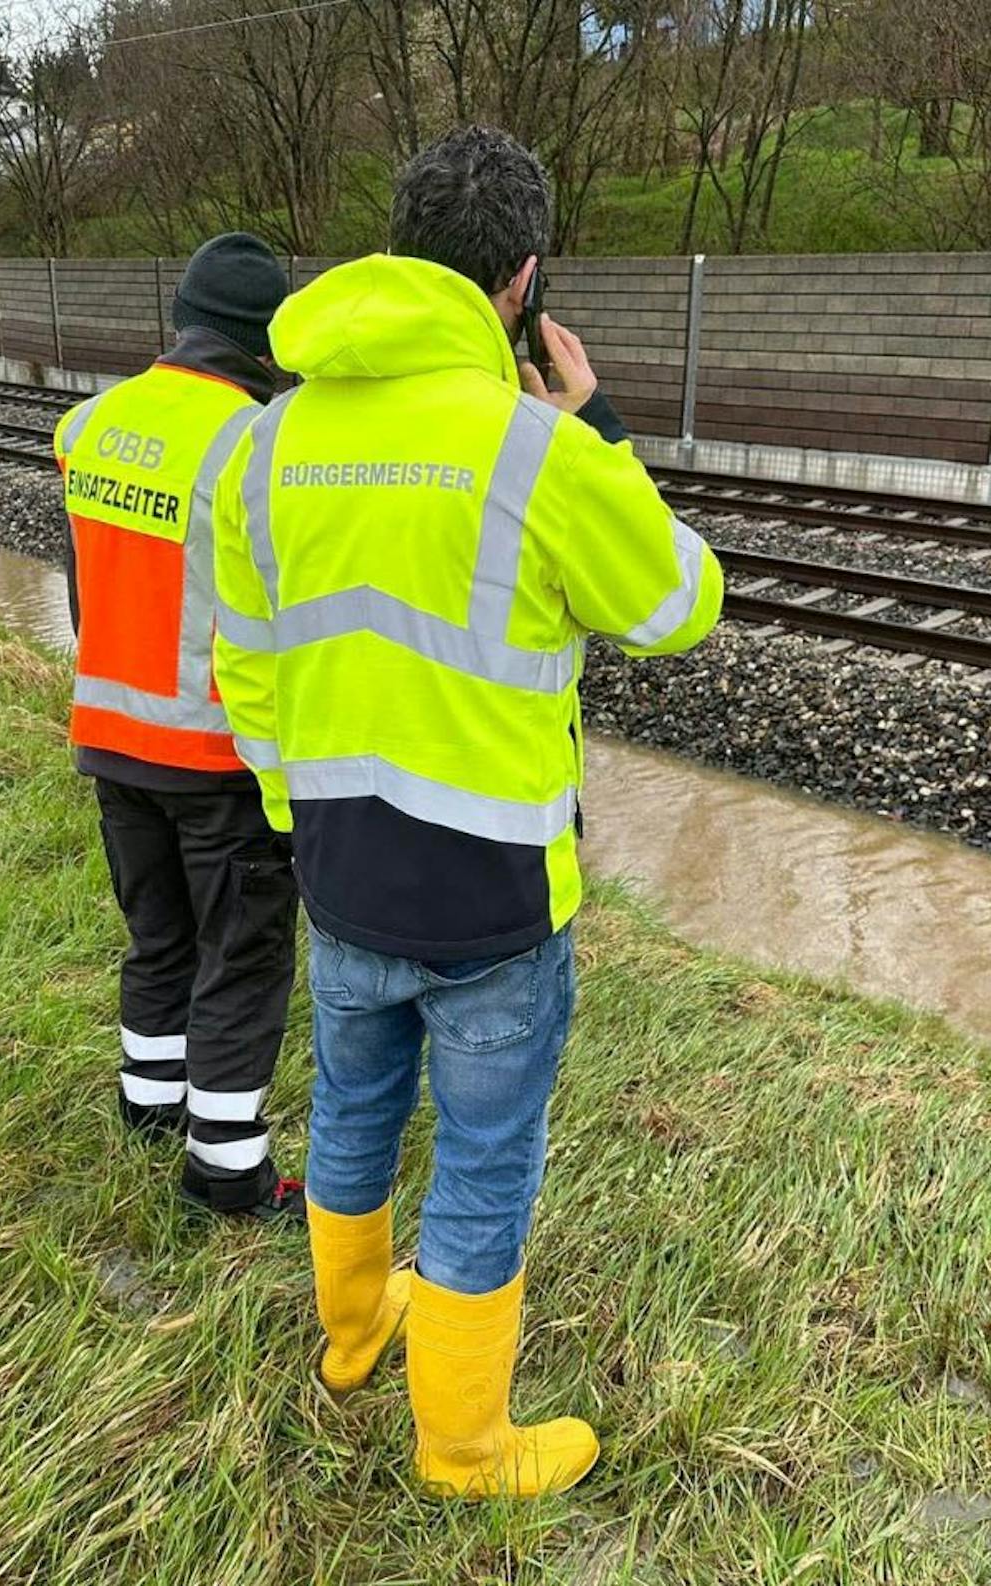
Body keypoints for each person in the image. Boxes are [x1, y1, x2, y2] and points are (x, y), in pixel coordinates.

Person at [212, 128, 723, 1493]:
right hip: (495, 900)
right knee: (486, 1160)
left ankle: (351, 1334)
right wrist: (598, 425)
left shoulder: (259, 446)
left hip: (337, 869)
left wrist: (299, 813)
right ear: (524, 283)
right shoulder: (535, 452)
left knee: (354, 1116)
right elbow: (678, 604)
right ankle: (464, 1442)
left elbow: (247, 667)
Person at [54, 232, 305, 1222]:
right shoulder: (252, 442)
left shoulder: (93, 422)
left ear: (183, 319)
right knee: (240, 951)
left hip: (108, 734)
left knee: (157, 934)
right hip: (211, 747)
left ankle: (150, 1103)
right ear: (265, 345)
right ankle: (227, 1168)